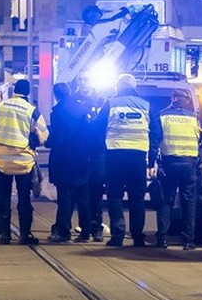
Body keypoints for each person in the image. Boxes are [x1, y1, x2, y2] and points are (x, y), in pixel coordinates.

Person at [0, 78, 48, 245]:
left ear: (14, 90)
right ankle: (24, 235)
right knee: (24, 198)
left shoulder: (0, 106)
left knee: (3, 198)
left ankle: (4, 235)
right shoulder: (32, 110)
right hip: (23, 161)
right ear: (28, 92)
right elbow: (43, 136)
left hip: (1, 161)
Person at [98, 74, 155, 247]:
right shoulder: (146, 106)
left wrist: (100, 151)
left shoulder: (110, 103)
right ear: (134, 86)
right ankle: (138, 237)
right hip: (138, 158)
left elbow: (97, 128)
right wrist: (151, 161)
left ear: (118, 87)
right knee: (137, 198)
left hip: (114, 155)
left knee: (114, 196)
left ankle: (118, 235)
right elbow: (155, 134)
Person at [154, 89, 202, 249]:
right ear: (187, 100)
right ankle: (188, 241)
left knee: (166, 201)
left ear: (173, 99)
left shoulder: (163, 116)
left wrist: (152, 162)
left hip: (169, 163)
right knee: (189, 203)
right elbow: (200, 140)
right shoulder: (194, 118)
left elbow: (156, 139)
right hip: (189, 164)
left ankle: (162, 239)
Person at [68, 75, 105, 241]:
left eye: (85, 80)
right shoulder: (73, 101)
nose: (83, 83)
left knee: (96, 192)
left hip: (97, 154)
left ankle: (96, 228)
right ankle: (85, 229)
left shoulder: (102, 101)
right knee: (81, 194)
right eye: (80, 80)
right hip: (79, 154)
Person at [46, 82, 79, 243]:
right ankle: (86, 229)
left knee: (64, 196)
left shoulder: (58, 112)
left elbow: (57, 138)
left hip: (63, 158)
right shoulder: (81, 108)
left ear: (56, 95)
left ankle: (63, 230)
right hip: (79, 158)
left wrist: (47, 141)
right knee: (77, 196)